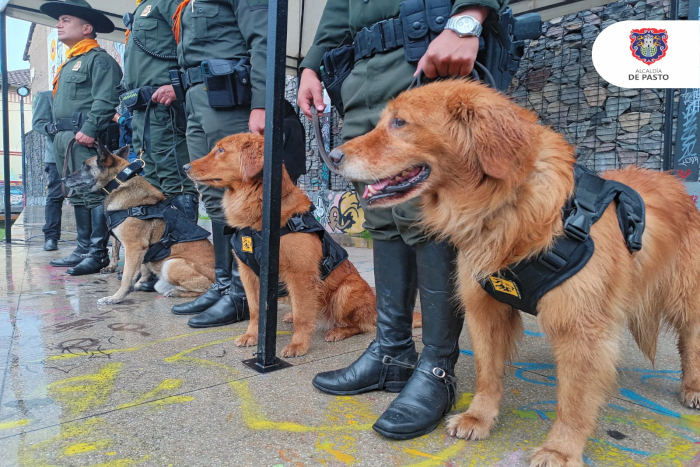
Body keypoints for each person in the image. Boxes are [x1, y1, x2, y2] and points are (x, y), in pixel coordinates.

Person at [298, 0, 506, 440]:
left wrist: (468, 19)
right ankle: (391, 354)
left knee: (425, 215)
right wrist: (312, 66)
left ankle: (436, 368)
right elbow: (339, 10)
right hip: (360, 73)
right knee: (381, 211)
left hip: (430, 50)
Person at [152, 0, 268, 327]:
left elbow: (263, 40)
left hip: (228, 97)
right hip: (195, 99)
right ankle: (224, 283)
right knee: (212, 195)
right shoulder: (183, 5)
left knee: (243, 195)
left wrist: (261, 102)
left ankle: (244, 294)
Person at [40, 0, 123, 276]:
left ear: (87, 28)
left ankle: (97, 253)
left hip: (85, 136)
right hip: (67, 138)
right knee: (77, 193)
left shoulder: (99, 60)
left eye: (66, 19)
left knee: (94, 192)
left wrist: (90, 127)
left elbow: (106, 98)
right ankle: (83, 248)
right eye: (59, 20)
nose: (58, 24)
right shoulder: (71, 63)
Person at [32, 91, 65, 252]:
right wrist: (53, 128)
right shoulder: (47, 96)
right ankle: (51, 237)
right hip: (55, 156)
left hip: (80, 152)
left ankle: (90, 239)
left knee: (88, 197)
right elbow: (38, 123)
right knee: (55, 195)